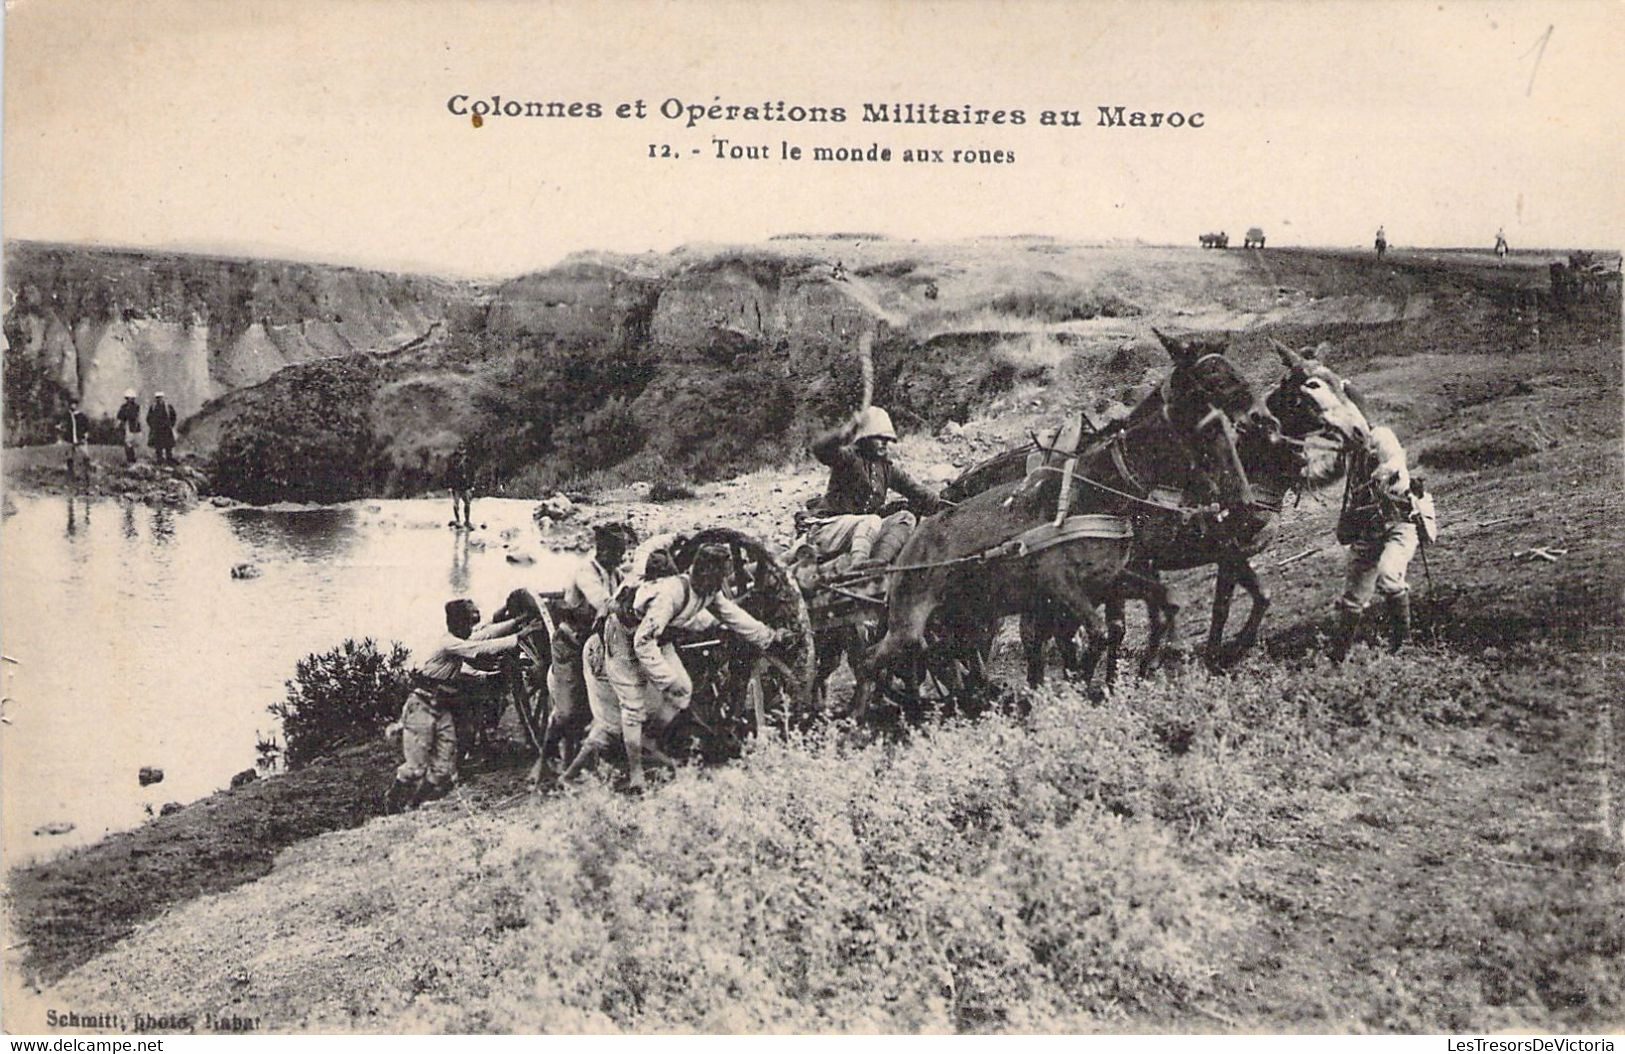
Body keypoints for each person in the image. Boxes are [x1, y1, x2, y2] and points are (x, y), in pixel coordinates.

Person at [561, 543, 790, 791]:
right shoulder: (670, 594)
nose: (721, 584)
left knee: (683, 690)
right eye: (719, 578)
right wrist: (664, 679)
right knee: (632, 708)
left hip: (656, 636)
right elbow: (643, 642)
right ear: (703, 573)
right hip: (621, 640)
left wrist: (768, 637)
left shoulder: (708, 591)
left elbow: (733, 616)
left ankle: (649, 738)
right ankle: (636, 774)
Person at [385, 598, 533, 811]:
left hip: (441, 708)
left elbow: (485, 635)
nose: (472, 627)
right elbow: (480, 645)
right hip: (422, 707)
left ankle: (412, 806)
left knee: (442, 769)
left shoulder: (456, 639)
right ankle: (392, 802)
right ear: (457, 623)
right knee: (415, 769)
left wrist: (518, 621)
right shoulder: (449, 643)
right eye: (469, 622)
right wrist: (519, 637)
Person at [527, 522, 637, 782]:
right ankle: (544, 757)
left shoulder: (617, 574)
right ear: (602, 549)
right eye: (617, 550)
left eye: (623, 550)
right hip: (572, 646)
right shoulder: (585, 573)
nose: (621, 556)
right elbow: (603, 604)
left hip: (600, 645)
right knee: (566, 712)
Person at [1328, 425, 1427, 661]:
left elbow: (1395, 461)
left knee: (1389, 574)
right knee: (1353, 597)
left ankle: (1404, 645)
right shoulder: (1349, 451)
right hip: (1367, 529)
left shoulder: (1380, 436)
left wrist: (1377, 477)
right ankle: (1339, 656)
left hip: (1398, 523)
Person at [806, 405, 941, 574]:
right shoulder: (848, 459)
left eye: (887, 439)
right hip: (830, 530)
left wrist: (944, 505)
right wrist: (842, 434)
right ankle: (857, 567)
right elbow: (821, 450)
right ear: (865, 438)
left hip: (863, 533)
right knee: (871, 520)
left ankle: (878, 565)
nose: (884, 443)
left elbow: (916, 491)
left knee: (905, 518)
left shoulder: (886, 469)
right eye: (878, 438)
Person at [61, 399, 92, 483]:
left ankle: (87, 470)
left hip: (80, 438)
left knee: (84, 454)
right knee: (70, 455)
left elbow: (87, 426)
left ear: (76, 405)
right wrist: (61, 427)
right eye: (71, 404)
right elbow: (63, 424)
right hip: (70, 438)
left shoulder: (81, 416)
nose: (72, 406)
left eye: (74, 404)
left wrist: (86, 433)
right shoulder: (67, 415)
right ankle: (70, 471)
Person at [146, 392, 178, 464]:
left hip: (167, 429)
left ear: (163, 398)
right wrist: (152, 426)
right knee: (158, 446)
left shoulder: (168, 406)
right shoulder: (153, 407)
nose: (159, 399)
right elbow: (148, 418)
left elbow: (173, 416)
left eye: (160, 397)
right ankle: (159, 460)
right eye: (157, 397)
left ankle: (169, 459)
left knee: (168, 445)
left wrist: (171, 425)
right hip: (157, 429)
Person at [446, 447, 473, 528]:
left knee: (467, 503)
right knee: (456, 504)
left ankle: (467, 521)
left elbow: (471, 474)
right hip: (456, 487)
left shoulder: (467, 463)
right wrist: (450, 486)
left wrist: (471, 485)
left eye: (463, 455)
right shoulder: (453, 464)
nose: (461, 456)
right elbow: (449, 475)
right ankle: (458, 520)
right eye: (460, 455)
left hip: (465, 487)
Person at [115, 390, 143, 464]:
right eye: (128, 398)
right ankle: (130, 459)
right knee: (128, 443)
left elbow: (137, 417)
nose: (129, 400)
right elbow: (120, 417)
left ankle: (135, 458)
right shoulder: (124, 407)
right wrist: (118, 424)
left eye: (131, 398)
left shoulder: (137, 407)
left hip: (135, 427)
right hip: (127, 426)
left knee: (135, 443)